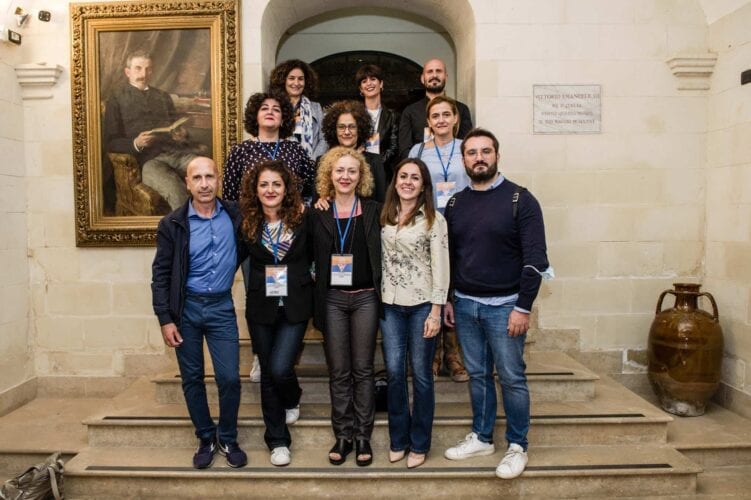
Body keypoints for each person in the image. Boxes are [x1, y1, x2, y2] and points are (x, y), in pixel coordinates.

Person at [443, 128, 549, 480]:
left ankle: (517, 445)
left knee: (511, 377)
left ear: (497, 156)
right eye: (472, 153)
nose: (479, 158)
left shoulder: (521, 199)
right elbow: (451, 258)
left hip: (506, 307)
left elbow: (536, 259)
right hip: (465, 305)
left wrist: (523, 307)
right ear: (463, 160)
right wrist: (449, 299)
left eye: (485, 151)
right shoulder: (456, 203)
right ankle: (483, 438)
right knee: (478, 375)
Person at [151, 156, 247, 469]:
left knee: (229, 378)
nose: (204, 184)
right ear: (187, 183)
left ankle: (228, 437)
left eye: (210, 177)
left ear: (219, 180)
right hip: (186, 309)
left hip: (221, 307)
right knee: (192, 377)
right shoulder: (172, 224)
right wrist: (165, 319)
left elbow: (274, 211)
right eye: (197, 178)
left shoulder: (237, 215)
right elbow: (161, 275)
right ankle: (206, 437)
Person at [223, 91, 316, 384]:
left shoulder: (295, 150)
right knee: (257, 294)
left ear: (284, 117)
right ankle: (260, 354)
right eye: (264, 107)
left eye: (277, 108)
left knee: (291, 295)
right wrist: (247, 225)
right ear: (255, 114)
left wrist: (301, 209)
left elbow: (311, 188)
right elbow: (230, 195)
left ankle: (282, 355)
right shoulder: (241, 151)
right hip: (255, 235)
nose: (271, 111)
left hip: (288, 234)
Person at [239, 159, 313, 467]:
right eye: (264, 184)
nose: (270, 190)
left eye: (276, 184)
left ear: (286, 189)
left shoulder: (304, 218)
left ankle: (292, 396)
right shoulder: (246, 223)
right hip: (261, 307)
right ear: (255, 190)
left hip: (296, 304)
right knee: (268, 373)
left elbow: (317, 255)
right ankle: (278, 441)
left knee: (281, 368)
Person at [310, 147, 382, 467]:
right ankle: (343, 434)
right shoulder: (318, 212)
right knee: (339, 371)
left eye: (352, 171)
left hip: (366, 298)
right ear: (330, 174)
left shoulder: (374, 210)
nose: (345, 176)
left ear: (361, 176)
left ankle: (363, 435)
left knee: (363, 370)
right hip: (332, 300)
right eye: (339, 170)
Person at [379, 158, 449, 469]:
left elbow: (441, 268)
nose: (408, 182)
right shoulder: (385, 215)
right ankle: (399, 439)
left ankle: (420, 443)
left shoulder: (434, 219)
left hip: (422, 306)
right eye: (403, 176)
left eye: (415, 178)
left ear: (423, 186)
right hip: (390, 306)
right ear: (395, 181)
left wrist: (436, 311)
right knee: (394, 373)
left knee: (421, 374)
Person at [408, 96, 470, 383]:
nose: (441, 120)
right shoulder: (418, 150)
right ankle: (432, 355)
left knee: (454, 289)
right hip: (429, 225)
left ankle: (453, 356)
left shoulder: (466, 148)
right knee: (431, 286)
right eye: (435, 116)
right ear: (428, 122)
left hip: (461, 226)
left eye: (446, 114)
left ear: (455, 119)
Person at [104, 50, 208, 210]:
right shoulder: (116, 98)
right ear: (127, 72)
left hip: (176, 153)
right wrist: (136, 143)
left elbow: (175, 125)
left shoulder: (163, 96)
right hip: (148, 161)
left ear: (152, 71)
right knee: (177, 191)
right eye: (138, 68)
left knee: (209, 171)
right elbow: (110, 142)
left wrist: (181, 134)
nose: (143, 74)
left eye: (148, 69)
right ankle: (189, 226)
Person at [398, 58, 473, 159]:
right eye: (430, 72)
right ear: (422, 78)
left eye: (438, 71)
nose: (434, 75)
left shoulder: (461, 109)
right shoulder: (410, 112)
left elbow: (467, 146)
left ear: (446, 77)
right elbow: (404, 151)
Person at [322, 100, 387, 202]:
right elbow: (316, 201)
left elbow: (381, 201)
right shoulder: (322, 161)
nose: (347, 132)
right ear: (334, 130)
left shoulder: (375, 161)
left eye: (352, 127)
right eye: (341, 127)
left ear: (360, 129)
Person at [269, 59, 328, 161]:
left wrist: (311, 161)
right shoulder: (274, 107)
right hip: (280, 164)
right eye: (291, 78)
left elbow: (324, 139)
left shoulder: (316, 107)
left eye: (300, 79)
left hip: (311, 164)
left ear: (306, 82)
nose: (296, 83)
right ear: (283, 81)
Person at [355, 64, 399, 182]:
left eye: (373, 79)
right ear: (360, 89)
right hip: (357, 172)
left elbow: (393, 148)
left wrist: (375, 163)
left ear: (381, 84)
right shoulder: (354, 115)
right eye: (364, 81)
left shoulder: (392, 115)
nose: (369, 83)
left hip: (383, 174)